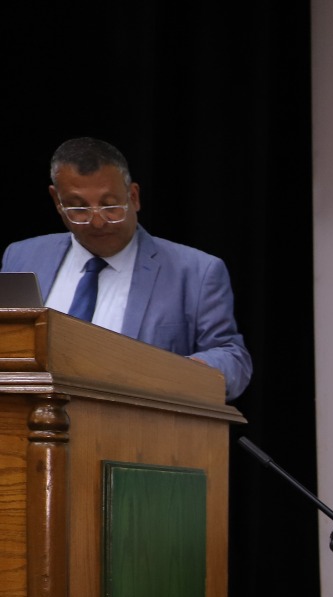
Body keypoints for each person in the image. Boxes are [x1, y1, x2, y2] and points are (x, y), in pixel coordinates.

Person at [1, 137, 251, 401]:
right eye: (79, 208)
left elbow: (233, 358)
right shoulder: (22, 257)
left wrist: (179, 372)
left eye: (110, 205)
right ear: (57, 201)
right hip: (33, 421)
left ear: (133, 196)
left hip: (139, 423)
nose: (97, 222)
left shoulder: (196, 272)